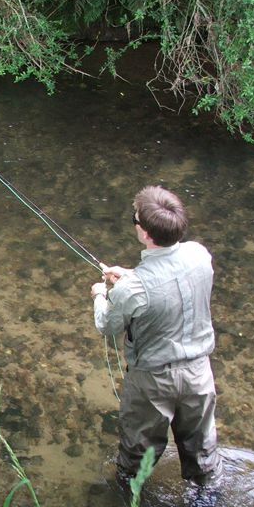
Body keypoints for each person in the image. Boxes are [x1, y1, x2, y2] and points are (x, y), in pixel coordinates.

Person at [91, 185, 222, 486]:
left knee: (136, 457)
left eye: (134, 219)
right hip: (199, 374)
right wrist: (129, 278)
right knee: (202, 456)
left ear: (146, 234)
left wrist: (101, 294)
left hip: (152, 382)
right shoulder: (200, 255)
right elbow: (169, 281)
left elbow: (107, 327)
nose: (133, 222)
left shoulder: (132, 289)